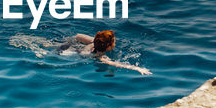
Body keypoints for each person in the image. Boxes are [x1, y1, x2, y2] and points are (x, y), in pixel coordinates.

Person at [10, 28, 151, 74]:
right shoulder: (99, 57)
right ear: (109, 46)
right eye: (114, 41)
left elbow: (77, 36)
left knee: (47, 46)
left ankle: (25, 40)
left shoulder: (92, 42)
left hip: (68, 46)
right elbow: (119, 65)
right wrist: (138, 69)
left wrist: (68, 40)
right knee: (44, 57)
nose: (116, 42)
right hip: (67, 55)